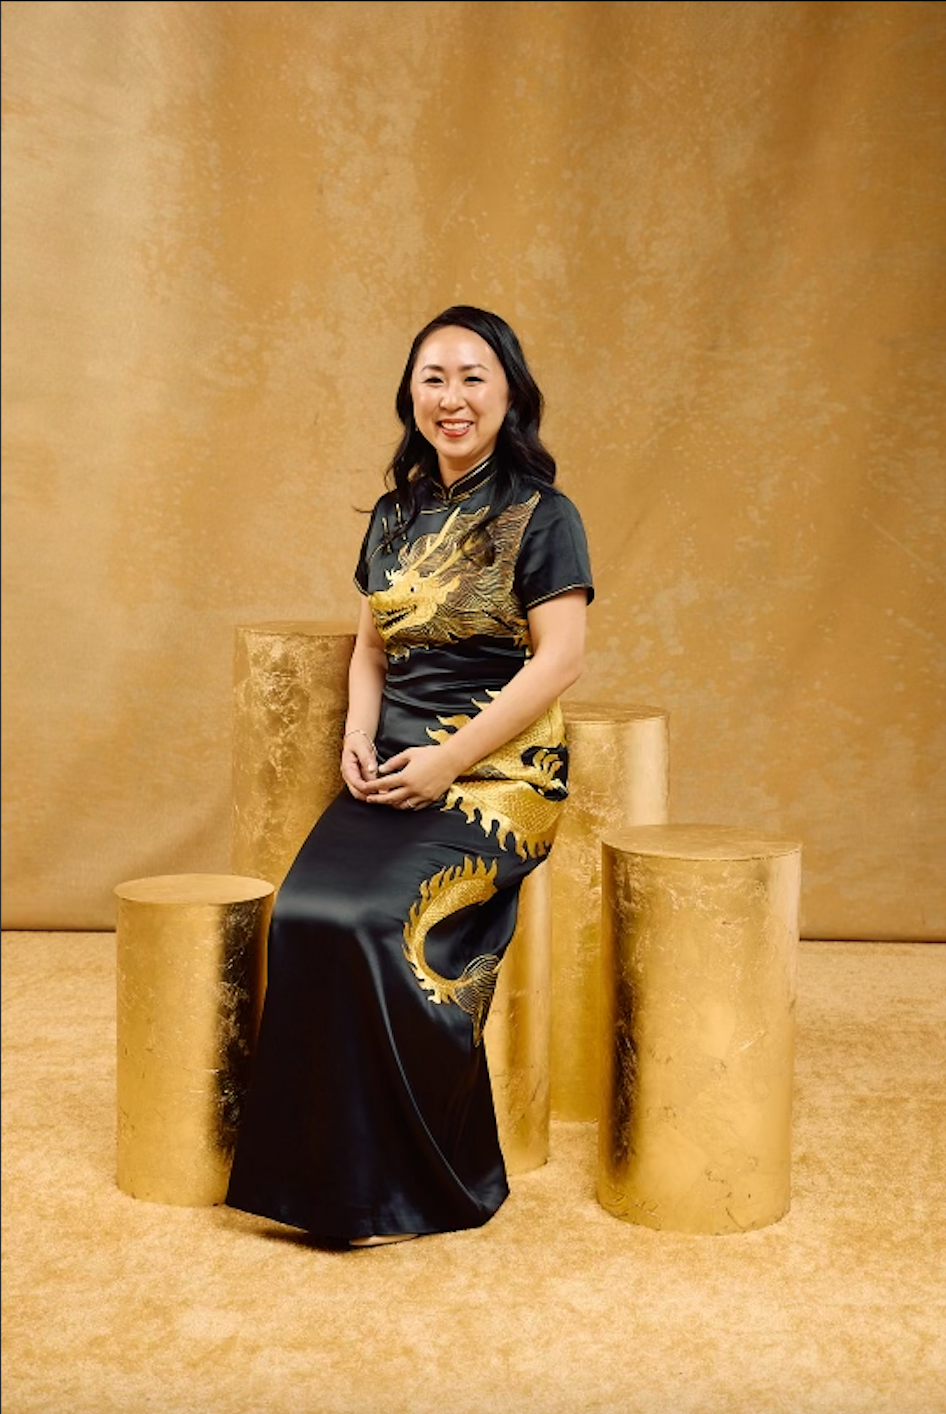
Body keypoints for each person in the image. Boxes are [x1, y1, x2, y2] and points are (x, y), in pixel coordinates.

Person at [226, 305, 594, 1247]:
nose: (453, 396)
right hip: (394, 765)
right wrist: (356, 734)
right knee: (304, 916)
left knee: (371, 924)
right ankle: (321, 1187)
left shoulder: (543, 515)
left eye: (474, 376)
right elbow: (371, 649)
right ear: (411, 398)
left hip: (495, 775)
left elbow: (558, 663)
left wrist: (447, 761)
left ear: (509, 392)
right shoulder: (394, 515)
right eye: (434, 378)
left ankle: (433, 1180)